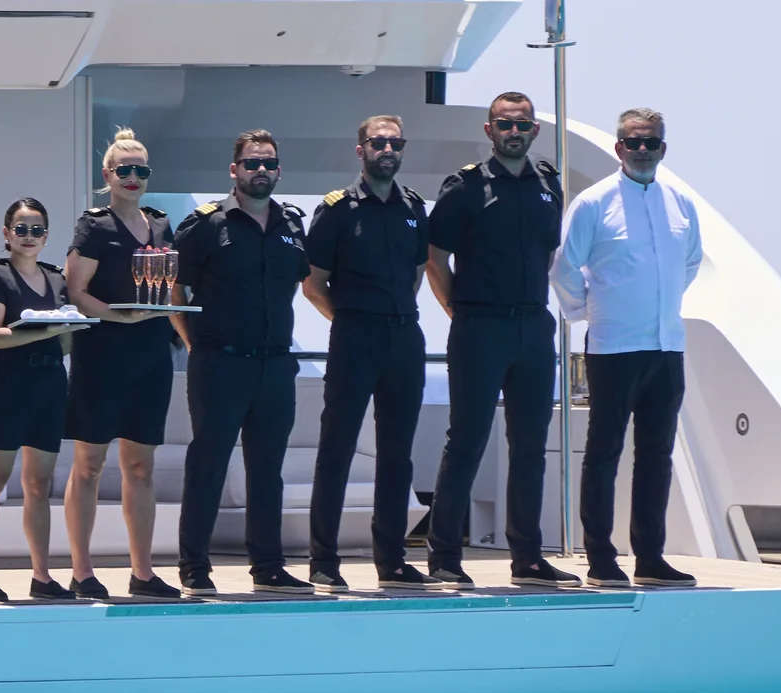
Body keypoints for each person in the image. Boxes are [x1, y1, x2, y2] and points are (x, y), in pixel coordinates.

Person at [423, 93, 580, 587]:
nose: (515, 132)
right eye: (505, 125)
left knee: (531, 446)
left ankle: (528, 559)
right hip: (480, 327)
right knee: (466, 441)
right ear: (490, 131)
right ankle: (445, 556)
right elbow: (434, 258)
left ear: (535, 132)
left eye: (524, 125)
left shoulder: (548, 184)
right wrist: (459, 313)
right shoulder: (465, 186)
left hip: (534, 328)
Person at [552, 107, 704, 587]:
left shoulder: (680, 203)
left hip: (666, 348)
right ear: (619, 148)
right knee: (603, 453)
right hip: (613, 347)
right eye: (633, 143)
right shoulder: (594, 203)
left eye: (651, 143)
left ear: (663, 148)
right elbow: (564, 269)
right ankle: (600, 557)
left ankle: (650, 557)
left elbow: (691, 262)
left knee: (656, 456)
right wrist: (588, 312)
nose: (642, 151)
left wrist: (660, 308)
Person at [173, 129, 310, 594]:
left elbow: (295, 286)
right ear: (234, 170)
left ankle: (268, 566)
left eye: (269, 163)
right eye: (252, 163)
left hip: (274, 365)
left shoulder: (292, 223)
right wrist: (194, 344)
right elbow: (176, 289)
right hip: (220, 363)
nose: (261, 171)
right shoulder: (207, 224)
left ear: (279, 170)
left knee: (268, 469)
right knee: (208, 464)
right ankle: (194, 566)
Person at [298, 114, 432, 590]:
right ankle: (323, 560)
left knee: (398, 455)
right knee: (337, 450)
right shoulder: (337, 209)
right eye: (378, 142)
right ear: (361, 151)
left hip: (404, 338)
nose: (387, 149)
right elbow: (312, 283)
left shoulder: (414, 207)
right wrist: (351, 320)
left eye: (395, 142)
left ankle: (392, 560)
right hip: (355, 335)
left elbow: (418, 270)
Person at [63, 127, 187, 599]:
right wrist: (121, 316)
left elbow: (171, 290)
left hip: (150, 355)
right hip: (103, 353)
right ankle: (81, 571)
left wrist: (177, 327)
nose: (133, 178)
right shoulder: (94, 225)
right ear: (107, 175)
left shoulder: (159, 223)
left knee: (140, 466)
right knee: (89, 463)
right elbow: (76, 293)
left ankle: (142, 571)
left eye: (141, 170)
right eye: (124, 170)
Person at [0, 198, 88, 602]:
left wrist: (68, 329)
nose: (30, 237)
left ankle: (41, 574)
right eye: (21, 229)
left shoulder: (56, 280)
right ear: (7, 234)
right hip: (11, 384)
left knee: (39, 484)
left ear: (47, 236)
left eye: (37, 230)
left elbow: (66, 341)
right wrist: (46, 331)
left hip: (51, 382)